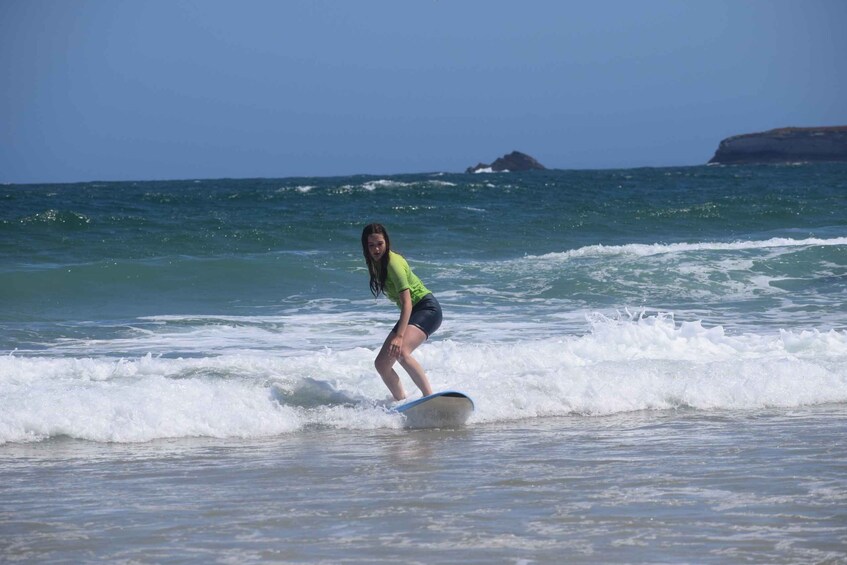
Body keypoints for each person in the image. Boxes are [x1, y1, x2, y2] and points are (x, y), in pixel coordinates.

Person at [361, 223, 442, 401]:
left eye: (380, 244)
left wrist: (399, 336)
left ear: (387, 242)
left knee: (402, 351)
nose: (376, 249)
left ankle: (430, 398)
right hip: (413, 312)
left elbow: (407, 302)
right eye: (371, 245)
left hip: (427, 309)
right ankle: (401, 401)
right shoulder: (376, 263)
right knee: (382, 364)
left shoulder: (392, 263)